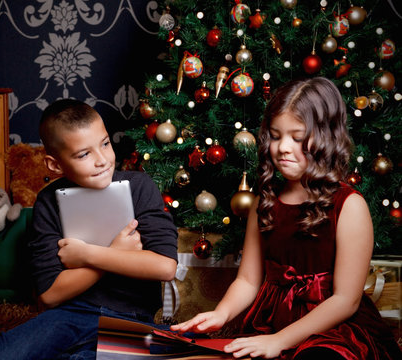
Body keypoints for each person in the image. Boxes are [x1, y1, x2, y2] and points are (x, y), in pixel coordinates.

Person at [0, 99, 178, 360]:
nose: (102, 160)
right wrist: (116, 254)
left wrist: (89, 255)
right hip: (72, 314)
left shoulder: (140, 186)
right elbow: (51, 296)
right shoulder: (48, 201)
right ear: (55, 165)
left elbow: (165, 267)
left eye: (105, 144)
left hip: (134, 322)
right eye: (84, 154)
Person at [171, 77, 402, 360]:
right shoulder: (264, 201)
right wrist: (221, 313)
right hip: (270, 318)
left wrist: (280, 340)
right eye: (276, 136)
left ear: (326, 137)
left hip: (331, 328)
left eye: (297, 136)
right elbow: (247, 280)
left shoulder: (349, 205)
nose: (282, 148)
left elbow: (346, 300)